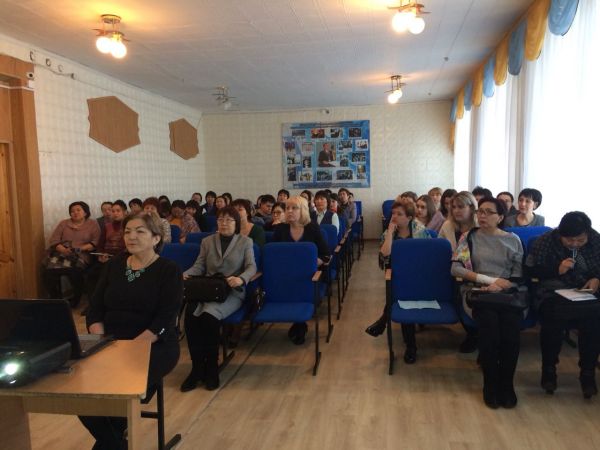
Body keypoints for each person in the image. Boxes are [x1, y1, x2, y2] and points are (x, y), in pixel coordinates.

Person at [80, 213, 183, 450]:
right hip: (110, 342)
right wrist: (100, 340)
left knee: (118, 390)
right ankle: (116, 443)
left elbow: (166, 319)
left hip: (152, 345)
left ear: (156, 238)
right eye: (127, 231)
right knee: (80, 391)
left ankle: (111, 442)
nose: (131, 237)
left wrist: (130, 349)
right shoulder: (114, 265)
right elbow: (95, 309)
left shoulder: (169, 270)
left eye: (140, 231)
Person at [451, 197, 524, 409]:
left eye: (488, 212)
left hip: (507, 294)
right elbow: (456, 268)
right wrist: (489, 281)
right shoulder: (469, 237)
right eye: (480, 211)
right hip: (478, 293)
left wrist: (501, 286)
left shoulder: (513, 240)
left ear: (500, 217)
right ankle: (490, 384)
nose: (482, 216)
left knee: (511, 326)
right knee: (489, 323)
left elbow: (518, 275)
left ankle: (507, 384)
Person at [180, 206, 257, 392]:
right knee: (190, 316)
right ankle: (197, 368)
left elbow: (251, 267)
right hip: (207, 289)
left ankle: (212, 369)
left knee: (208, 318)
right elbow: (199, 266)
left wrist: (241, 279)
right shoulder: (207, 241)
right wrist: (186, 274)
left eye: (229, 220)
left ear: (236, 224)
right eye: (221, 219)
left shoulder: (245, 242)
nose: (224, 223)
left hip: (231, 291)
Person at [526, 211, 600, 398]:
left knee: (594, 319)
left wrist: (596, 279)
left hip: (585, 291)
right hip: (553, 292)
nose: (574, 244)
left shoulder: (596, 240)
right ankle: (549, 370)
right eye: (569, 240)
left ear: (588, 233)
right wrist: (556, 269)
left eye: (580, 240)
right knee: (552, 318)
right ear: (560, 233)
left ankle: (588, 373)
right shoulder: (545, 241)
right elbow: (530, 271)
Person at [364, 201, 430, 363]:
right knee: (401, 297)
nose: (394, 216)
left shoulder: (420, 231)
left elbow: (427, 257)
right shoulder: (389, 232)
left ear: (409, 217)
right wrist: (390, 232)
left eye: (399, 214)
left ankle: (383, 322)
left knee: (399, 296)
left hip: (419, 276)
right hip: (398, 276)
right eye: (393, 213)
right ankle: (410, 346)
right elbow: (385, 254)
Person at [273, 196, 329, 345]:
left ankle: (299, 324)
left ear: (303, 210)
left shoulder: (312, 228)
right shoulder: (280, 229)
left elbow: (325, 255)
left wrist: (313, 262)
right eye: (287, 208)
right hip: (285, 274)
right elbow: (273, 254)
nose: (289, 211)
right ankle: (299, 323)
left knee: (301, 288)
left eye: (294, 208)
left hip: (309, 274)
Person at [438, 191, 479, 352]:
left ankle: (478, 332)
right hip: (453, 272)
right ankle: (472, 334)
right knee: (457, 295)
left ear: (472, 208)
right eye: (453, 207)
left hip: (477, 271)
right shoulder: (447, 226)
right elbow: (439, 250)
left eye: (461, 207)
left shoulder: (480, 227)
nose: (456, 210)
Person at [43, 201, 101, 308]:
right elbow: (54, 240)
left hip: (81, 254)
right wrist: (63, 249)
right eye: (72, 211)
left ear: (85, 212)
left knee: (75, 272)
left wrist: (78, 249)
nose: (75, 213)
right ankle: (56, 300)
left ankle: (75, 300)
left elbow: (95, 242)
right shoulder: (63, 223)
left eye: (78, 210)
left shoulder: (92, 224)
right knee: (49, 272)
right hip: (62, 253)